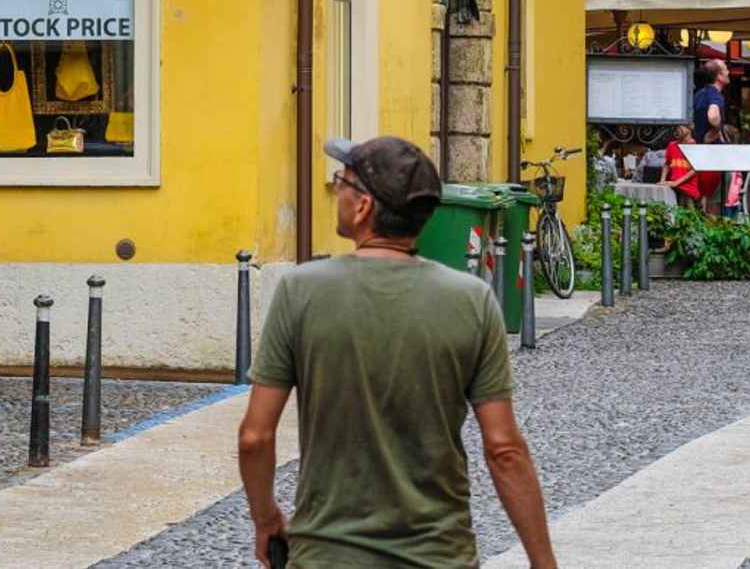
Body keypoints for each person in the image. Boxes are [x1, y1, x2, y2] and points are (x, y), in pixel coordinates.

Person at [238, 136, 556, 569]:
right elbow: (504, 449)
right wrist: (543, 561)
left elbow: (255, 437)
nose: (336, 192)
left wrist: (266, 519)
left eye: (341, 182)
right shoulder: (472, 301)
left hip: (328, 555)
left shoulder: (301, 291)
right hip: (439, 555)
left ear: (364, 206)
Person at [660, 125, 703, 209]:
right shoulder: (672, 145)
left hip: (688, 189)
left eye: (681, 126)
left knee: (690, 213)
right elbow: (667, 164)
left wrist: (677, 182)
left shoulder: (694, 147)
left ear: (691, 127)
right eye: (677, 126)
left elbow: (694, 170)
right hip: (674, 188)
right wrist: (662, 180)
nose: (678, 129)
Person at [692, 60, 729, 144]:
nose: (728, 72)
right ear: (719, 76)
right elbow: (713, 117)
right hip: (711, 150)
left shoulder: (699, 94)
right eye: (726, 70)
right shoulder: (715, 95)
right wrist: (717, 129)